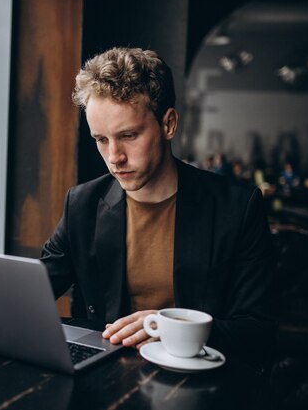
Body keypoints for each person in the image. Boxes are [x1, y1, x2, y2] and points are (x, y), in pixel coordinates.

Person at [40, 47, 276, 369]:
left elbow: (259, 331)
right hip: (103, 378)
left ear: (168, 124)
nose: (114, 157)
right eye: (101, 139)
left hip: (200, 385)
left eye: (129, 135)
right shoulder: (82, 203)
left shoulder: (237, 207)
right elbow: (32, 293)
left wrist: (173, 328)